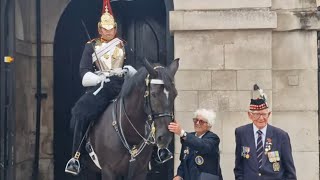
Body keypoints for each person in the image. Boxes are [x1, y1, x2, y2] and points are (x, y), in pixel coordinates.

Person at [65, 1, 136, 175]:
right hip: (101, 87)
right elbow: (84, 71)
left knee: (147, 106)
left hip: (122, 84)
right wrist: (99, 77)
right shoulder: (91, 46)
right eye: (105, 28)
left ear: (115, 28)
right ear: (99, 29)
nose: (109, 31)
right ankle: (76, 157)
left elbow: (135, 67)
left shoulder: (123, 45)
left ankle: (157, 151)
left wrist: (126, 70)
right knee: (80, 112)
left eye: (111, 28)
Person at [234, 84, 297, 180]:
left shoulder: (281, 135)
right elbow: (239, 166)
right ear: (250, 115)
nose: (261, 118)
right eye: (257, 114)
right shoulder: (241, 133)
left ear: (269, 114)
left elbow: (290, 172)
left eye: (264, 114)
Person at [169, 109, 223, 180]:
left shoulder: (213, 138)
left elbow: (202, 146)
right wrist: (179, 175)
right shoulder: (188, 138)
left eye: (201, 121)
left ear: (209, 125)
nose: (197, 123)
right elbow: (184, 161)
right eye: (195, 120)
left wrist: (182, 133)